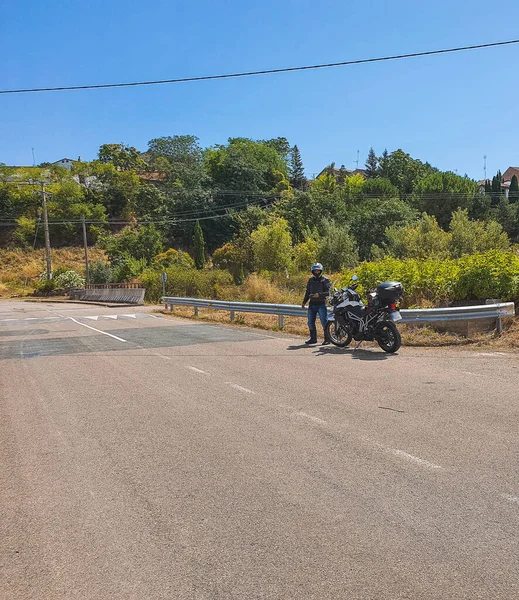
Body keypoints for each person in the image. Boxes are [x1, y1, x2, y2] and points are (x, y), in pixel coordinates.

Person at [301, 263, 331, 345]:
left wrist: (319, 294)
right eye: (315, 270)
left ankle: (327, 339)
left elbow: (329, 292)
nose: (316, 272)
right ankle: (313, 338)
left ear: (321, 271)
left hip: (321, 304)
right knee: (310, 322)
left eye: (318, 270)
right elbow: (307, 292)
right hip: (312, 304)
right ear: (312, 271)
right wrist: (304, 302)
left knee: (324, 322)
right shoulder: (310, 280)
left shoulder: (325, 280)